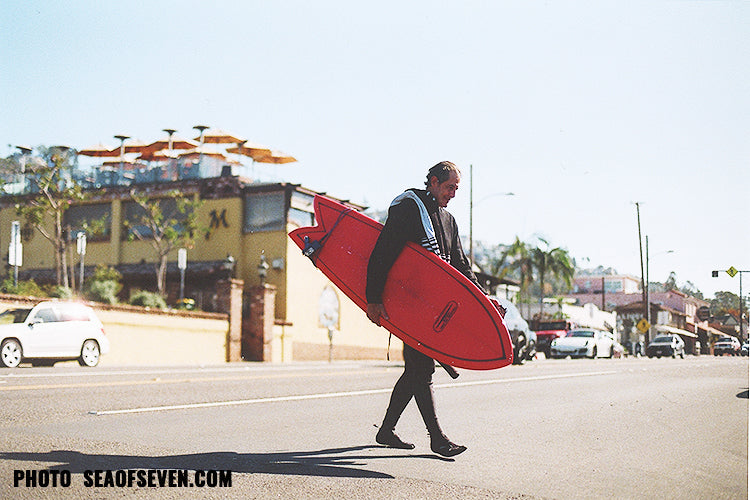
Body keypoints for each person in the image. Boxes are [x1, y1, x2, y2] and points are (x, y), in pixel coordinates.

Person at [366, 161, 494, 458]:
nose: (453, 194)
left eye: (456, 189)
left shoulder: (449, 220)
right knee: (421, 370)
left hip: (435, 310)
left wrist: (483, 299)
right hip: (410, 305)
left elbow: (461, 267)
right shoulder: (409, 209)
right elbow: (382, 253)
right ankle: (437, 439)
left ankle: (386, 430)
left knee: (416, 370)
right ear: (433, 182)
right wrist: (374, 298)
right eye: (449, 187)